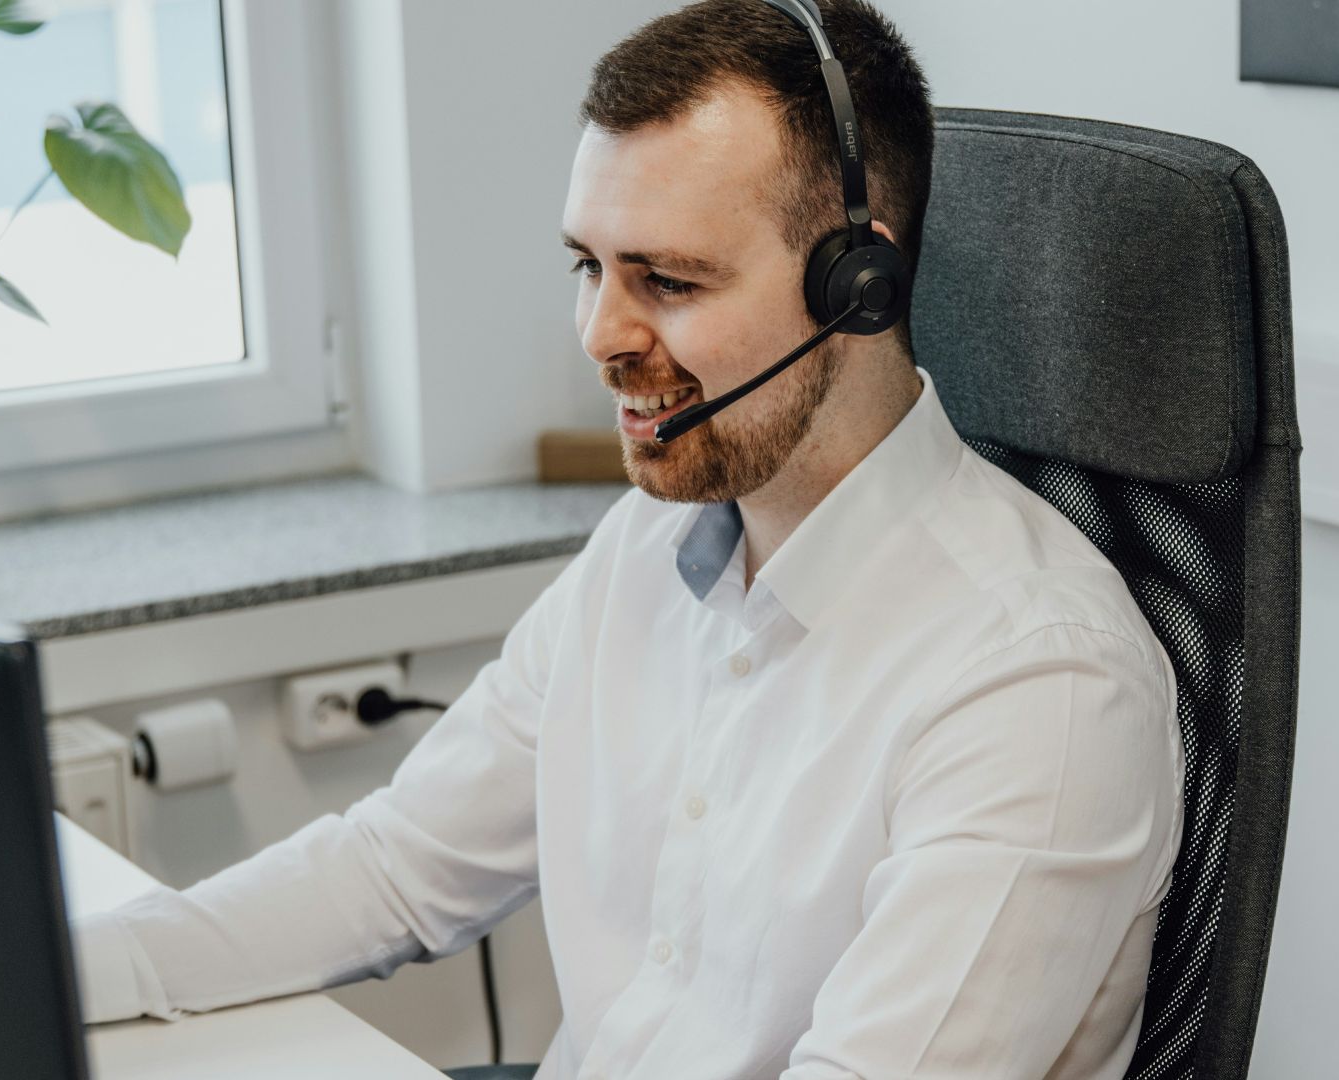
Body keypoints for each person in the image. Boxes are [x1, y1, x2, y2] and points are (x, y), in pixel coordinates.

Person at [70, 1, 1183, 1077]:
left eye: (668, 280)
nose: (601, 335)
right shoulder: (648, 550)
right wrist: (64, 971)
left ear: (859, 287)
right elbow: (395, 868)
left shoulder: (1038, 683)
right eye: (588, 268)